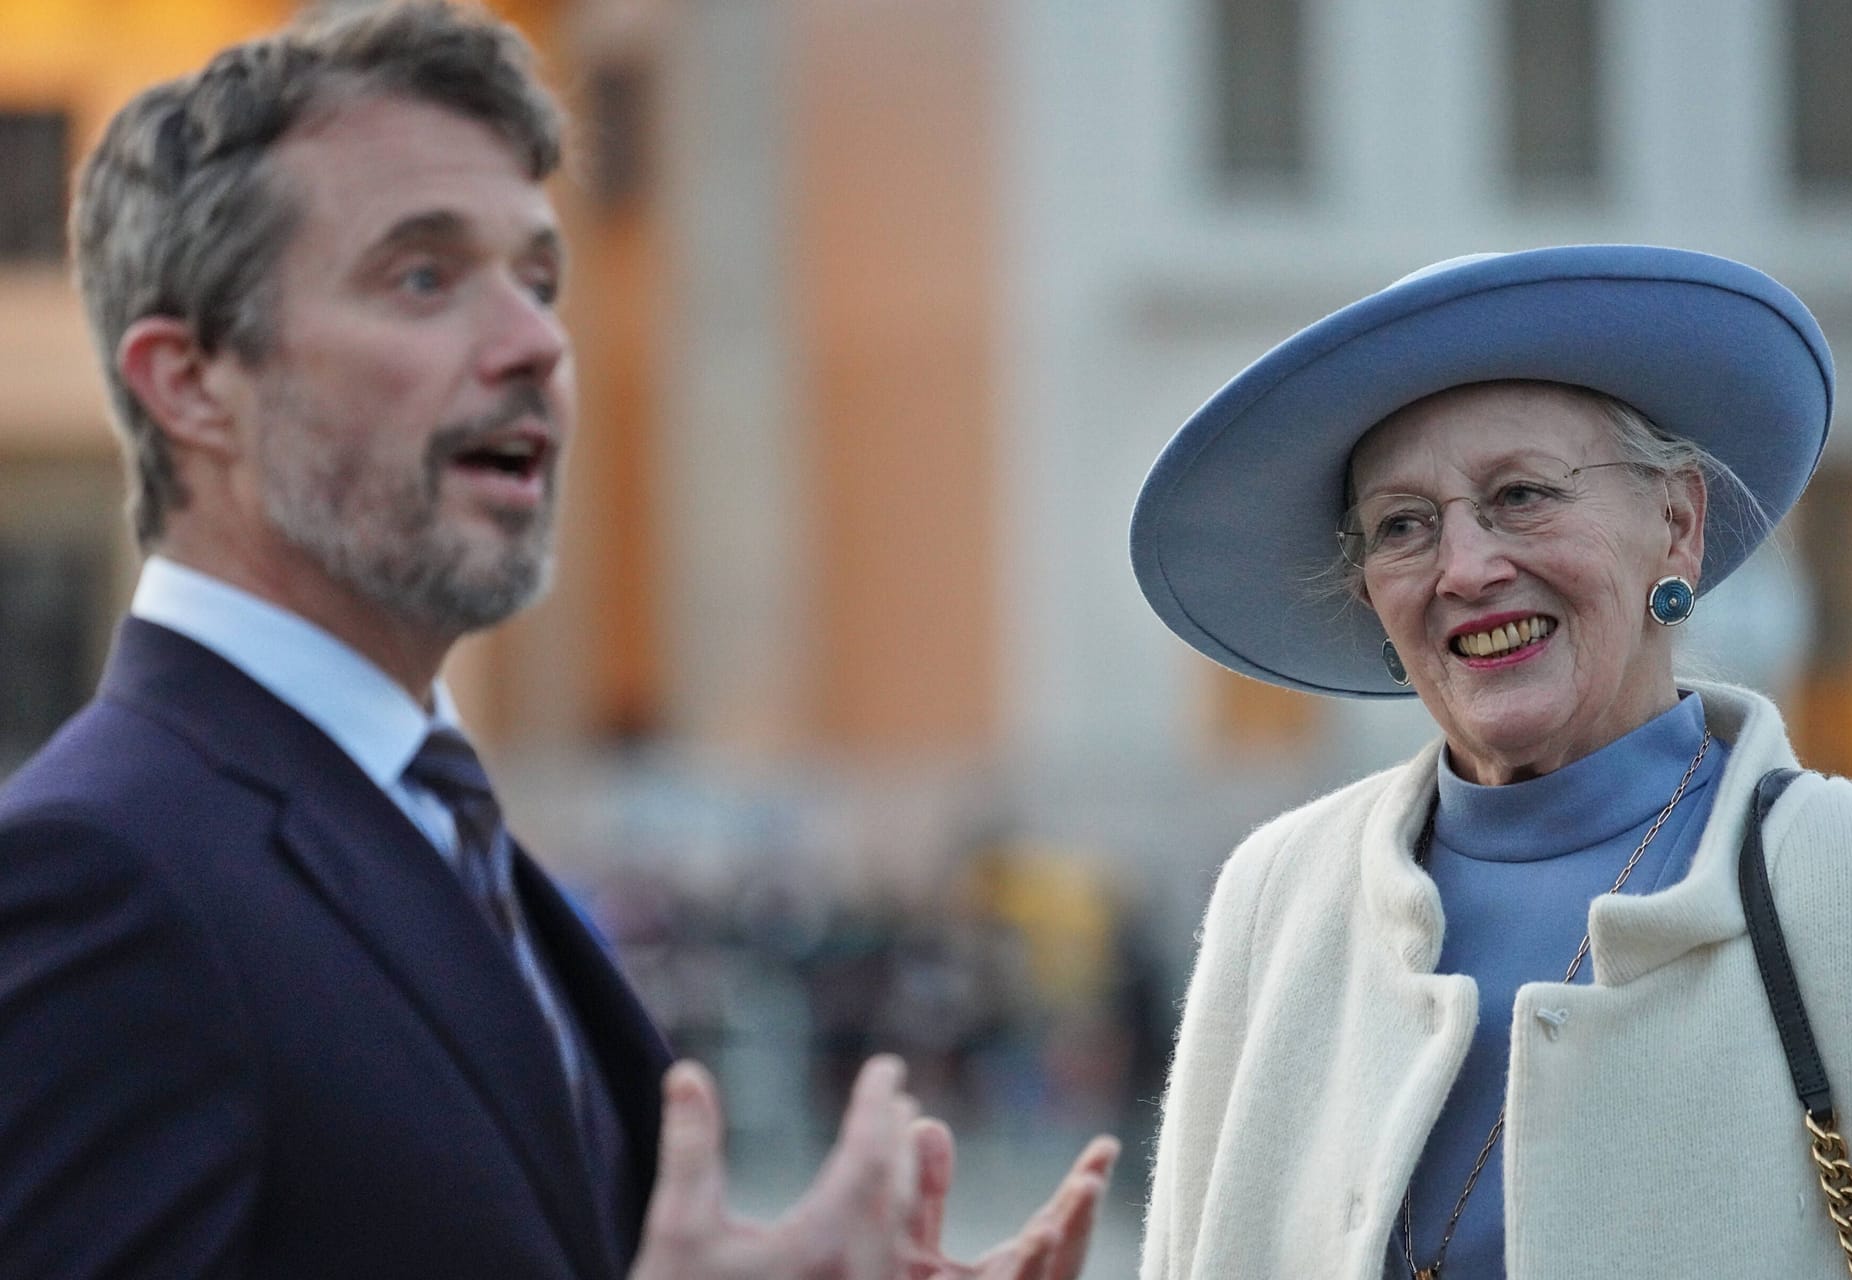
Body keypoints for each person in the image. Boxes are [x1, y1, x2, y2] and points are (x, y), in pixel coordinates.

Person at [0, 3, 1116, 1277]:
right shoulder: (97, 874)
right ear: (190, 381)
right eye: (422, 275)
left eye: (538, 278)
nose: (537, 343)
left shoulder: (435, 824)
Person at [1127, 245, 1852, 1278]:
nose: (1467, 567)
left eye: (1523, 495)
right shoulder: (1275, 894)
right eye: (1405, 525)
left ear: (1675, 522)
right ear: (1371, 588)